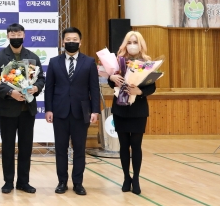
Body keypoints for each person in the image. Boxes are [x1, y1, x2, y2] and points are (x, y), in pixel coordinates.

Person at [0, 23, 45, 194]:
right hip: (8, 110)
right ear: (8, 36)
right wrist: (10, 92)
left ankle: (23, 182)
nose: (16, 37)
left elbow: (41, 78)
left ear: (24, 35)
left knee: (26, 148)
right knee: (7, 147)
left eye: (19, 34)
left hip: (27, 110)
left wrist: (36, 88)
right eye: (13, 34)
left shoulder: (32, 57)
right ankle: (8, 182)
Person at [44, 27, 100, 196]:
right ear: (63, 42)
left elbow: (94, 88)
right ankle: (62, 182)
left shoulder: (89, 62)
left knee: (79, 149)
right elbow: (49, 88)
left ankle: (78, 183)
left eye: (74, 39)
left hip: (81, 112)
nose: (71, 42)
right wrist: (48, 109)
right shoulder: (54, 62)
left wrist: (95, 110)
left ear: (80, 42)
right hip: (59, 111)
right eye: (68, 39)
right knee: (60, 149)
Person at [109, 31, 156, 195]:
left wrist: (139, 91)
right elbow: (111, 82)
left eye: (135, 42)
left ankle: (136, 178)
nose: (132, 45)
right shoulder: (118, 61)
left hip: (138, 109)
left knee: (136, 145)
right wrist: (112, 78)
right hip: (120, 108)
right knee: (123, 145)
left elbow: (152, 87)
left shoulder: (147, 63)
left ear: (140, 44)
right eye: (129, 42)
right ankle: (125, 177)